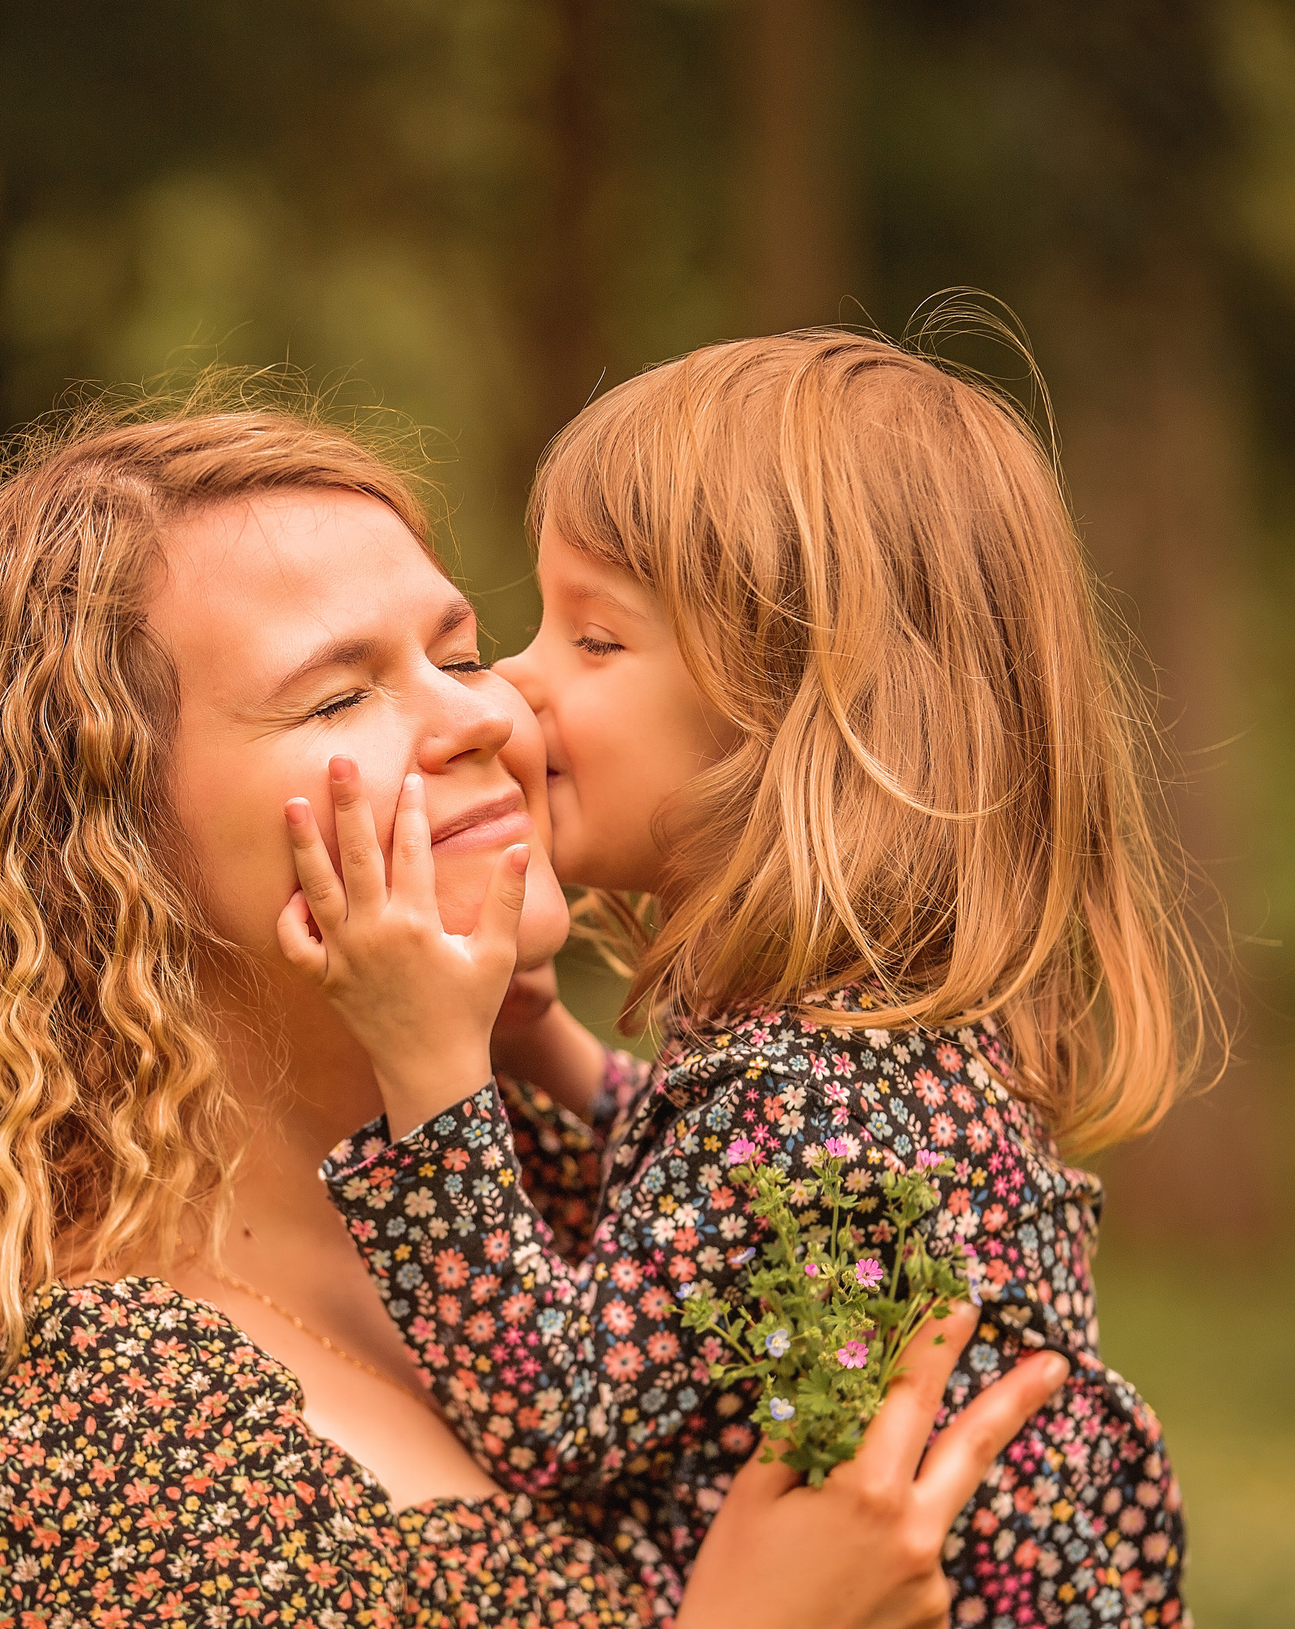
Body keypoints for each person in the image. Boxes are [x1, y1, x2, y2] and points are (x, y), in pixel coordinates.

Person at [0, 387, 1071, 1627]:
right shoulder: (83, 1426)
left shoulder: (562, 1175)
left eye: (459, 653)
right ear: (108, 850)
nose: (488, 714)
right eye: (339, 692)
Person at [284, 329, 1210, 1627]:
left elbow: (562, 1414)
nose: (512, 687)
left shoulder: (807, 1098)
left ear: (800, 725)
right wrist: (547, 1053)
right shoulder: (862, 1052)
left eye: (594, 640)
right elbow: (718, 1232)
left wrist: (429, 1069)